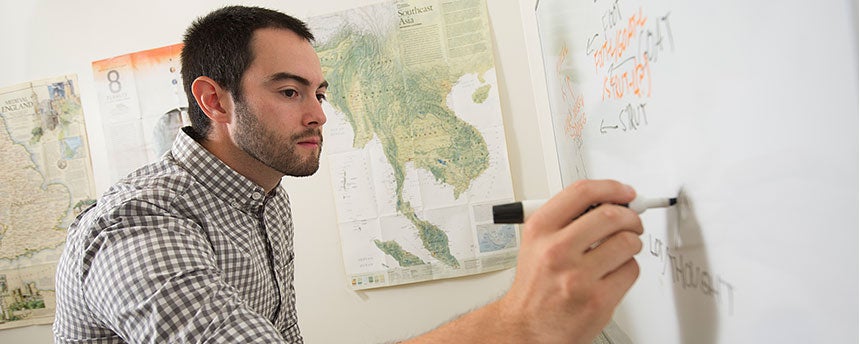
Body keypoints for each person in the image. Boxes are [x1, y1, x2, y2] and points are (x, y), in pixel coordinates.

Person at [53, 5, 644, 344]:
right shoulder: (136, 225)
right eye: (289, 91)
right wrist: (522, 319)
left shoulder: (265, 193)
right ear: (214, 99)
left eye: (320, 91)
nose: (318, 113)